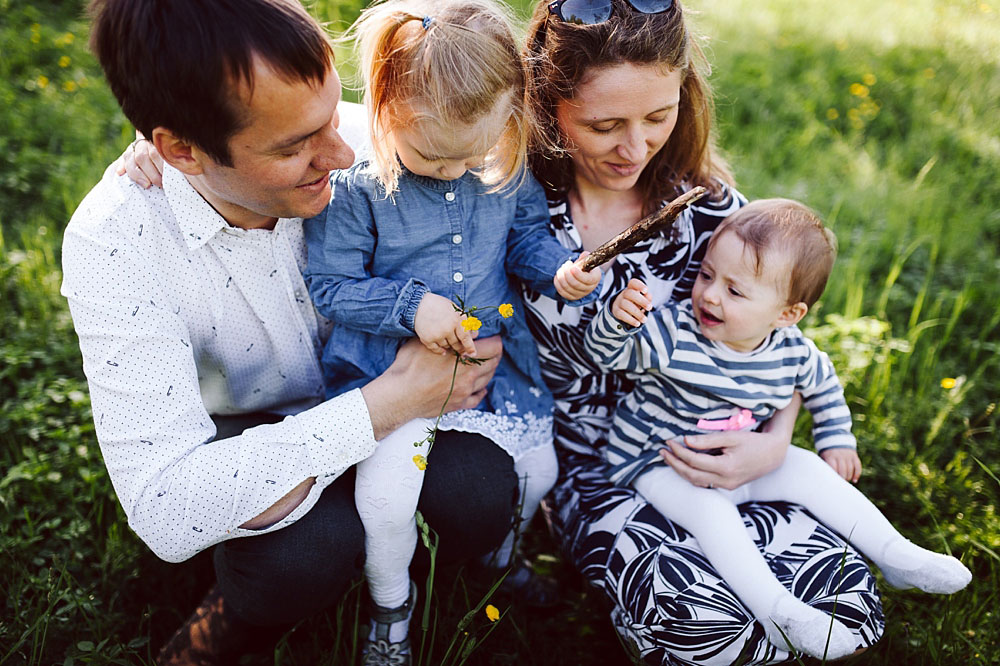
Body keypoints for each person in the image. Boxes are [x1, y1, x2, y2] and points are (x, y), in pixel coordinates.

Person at [64, 0, 522, 663]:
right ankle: (225, 622)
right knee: (304, 553)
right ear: (181, 149)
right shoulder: (117, 242)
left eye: (333, 115)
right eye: (294, 145)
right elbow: (166, 505)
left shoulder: (387, 143)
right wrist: (390, 403)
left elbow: (509, 148)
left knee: (481, 491)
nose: (342, 153)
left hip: (386, 384)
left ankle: (434, 589)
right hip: (258, 424)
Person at [519, 0, 889, 662]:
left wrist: (774, 442)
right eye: (606, 125)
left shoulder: (708, 209)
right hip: (600, 468)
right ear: (548, 105)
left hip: (722, 446)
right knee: (702, 620)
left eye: (658, 118)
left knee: (844, 599)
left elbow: (785, 350)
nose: (635, 147)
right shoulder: (516, 217)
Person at [301, 1, 601, 662]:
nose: (456, 170)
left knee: (538, 469)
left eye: (475, 153)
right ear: (385, 112)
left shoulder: (500, 164)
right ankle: (391, 612)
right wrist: (412, 307)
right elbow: (330, 285)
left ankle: (500, 558)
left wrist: (559, 271)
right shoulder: (357, 190)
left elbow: (523, 240)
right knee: (386, 499)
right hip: (392, 376)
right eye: (435, 156)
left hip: (493, 368)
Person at [584, 198, 972, 659]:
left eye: (736, 291)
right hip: (660, 461)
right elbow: (607, 356)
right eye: (707, 276)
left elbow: (823, 387)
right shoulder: (675, 334)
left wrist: (836, 438)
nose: (709, 295)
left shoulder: (793, 353)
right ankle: (778, 612)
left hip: (743, 463)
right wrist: (616, 322)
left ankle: (895, 554)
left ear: (787, 314)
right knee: (711, 513)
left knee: (805, 466)